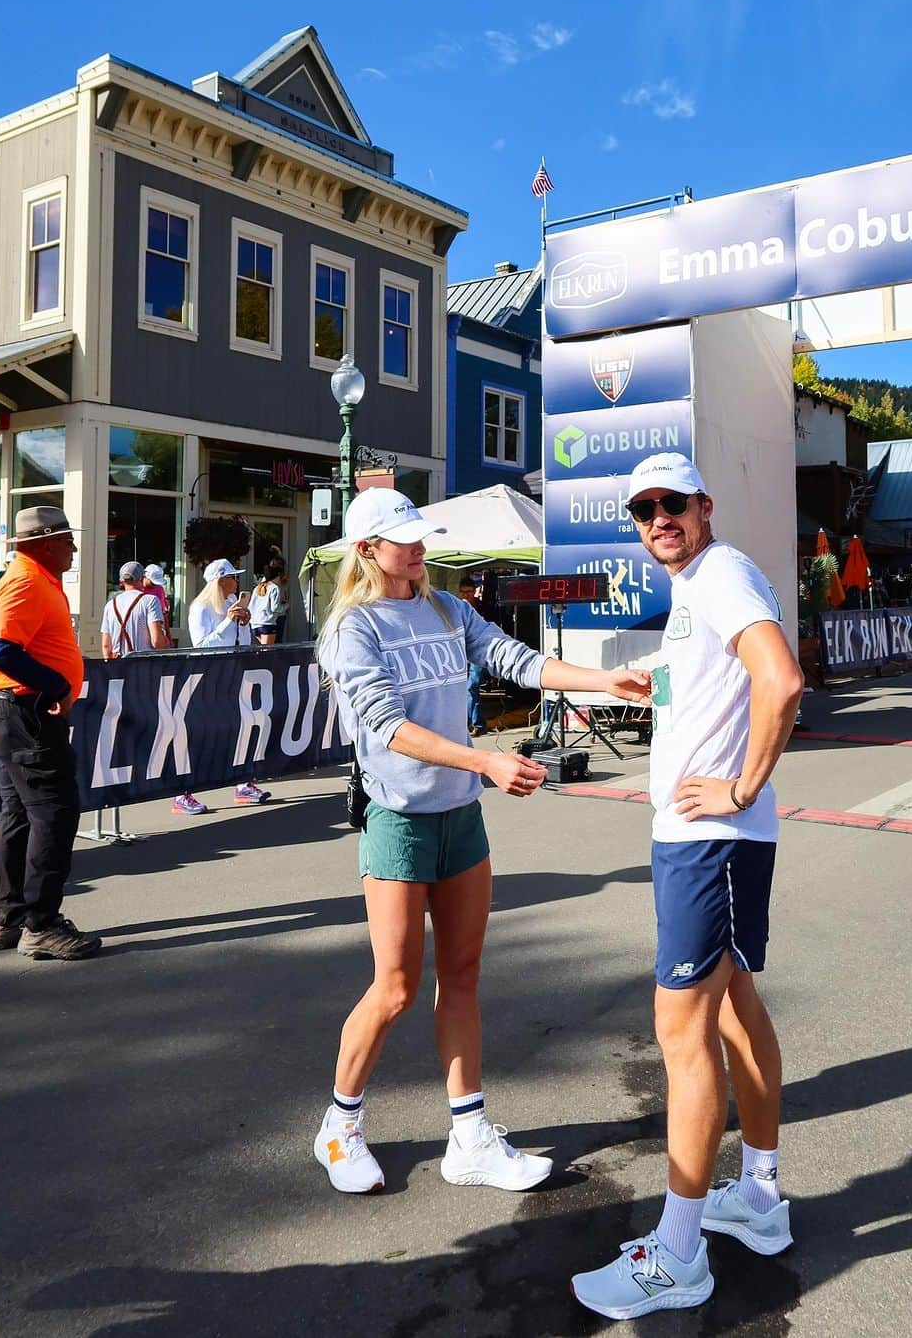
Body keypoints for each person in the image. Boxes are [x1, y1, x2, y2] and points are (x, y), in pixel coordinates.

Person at [314, 487, 648, 1195]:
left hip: (460, 818)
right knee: (396, 987)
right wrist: (487, 760)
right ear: (368, 549)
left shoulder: (445, 607)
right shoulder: (353, 629)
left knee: (461, 980)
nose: (419, 547)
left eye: (419, 534)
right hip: (399, 820)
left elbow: (514, 659)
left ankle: (469, 1134)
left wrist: (601, 680)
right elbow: (387, 727)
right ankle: (339, 1127)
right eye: (404, 538)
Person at [571, 454, 804, 1321]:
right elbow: (727, 688)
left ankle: (678, 1255)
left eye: (674, 503)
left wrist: (739, 788)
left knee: (682, 1030)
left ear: (704, 506)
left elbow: (781, 681)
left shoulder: (720, 572)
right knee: (736, 1007)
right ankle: (760, 1195)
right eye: (644, 509)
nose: (658, 517)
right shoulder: (699, 584)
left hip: (712, 839)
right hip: (707, 839)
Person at [0, 507, 101, 960]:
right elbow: (0, 649)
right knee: (54, 811)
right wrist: (55, 684)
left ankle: (11, 916)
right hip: (26, 710)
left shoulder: (32, 578)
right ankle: (40, 922)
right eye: (68, 540)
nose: (74, 548)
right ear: (46, 543)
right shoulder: (27, 580)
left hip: (16, 709)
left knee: (19, 811)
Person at [175, 559, 269, 814]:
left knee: (240, 728)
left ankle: (242, 783)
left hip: (232, 674)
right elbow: (202, 646)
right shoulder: (201, 608)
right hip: (207, 677)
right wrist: (228, 622)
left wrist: (245, 622)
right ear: (221, 580)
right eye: (232, 577)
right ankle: (184, 792)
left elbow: (243, 642)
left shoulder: (231, 604)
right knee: (202, 734)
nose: (236, 581)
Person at [101, 561, 170, 659]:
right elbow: (156, 641)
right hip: (143, 665)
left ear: (122, 581)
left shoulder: (110, 605)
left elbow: (106, 646)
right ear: (142, 578)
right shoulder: (150, 601)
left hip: (117, 667)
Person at [457, 576, 488, 735]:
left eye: (468, 592)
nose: (465, 595)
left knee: (472, 686)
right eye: (462, 592)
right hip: (461, 650)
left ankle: (476, 724)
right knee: (464, 688)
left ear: (475, 591)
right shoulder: (456, 607)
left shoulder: (482, 607)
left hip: (477, 651)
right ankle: (470, 723)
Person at [249, 563, 287, 645]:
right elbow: (275, 608)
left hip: (255, 624)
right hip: (267, 624)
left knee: (264, 650)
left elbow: (251, 606)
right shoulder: (274, 588)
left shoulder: (258, 587)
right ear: (278, 575)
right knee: (267, 653)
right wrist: (286, 605)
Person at [142, 564, 171, 638]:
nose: (155, 585)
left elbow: (163, 614)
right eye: (153, 582)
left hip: (157, 629)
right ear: (145, 577)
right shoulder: (138, 590)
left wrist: (168, 636)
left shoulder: (159, 589)